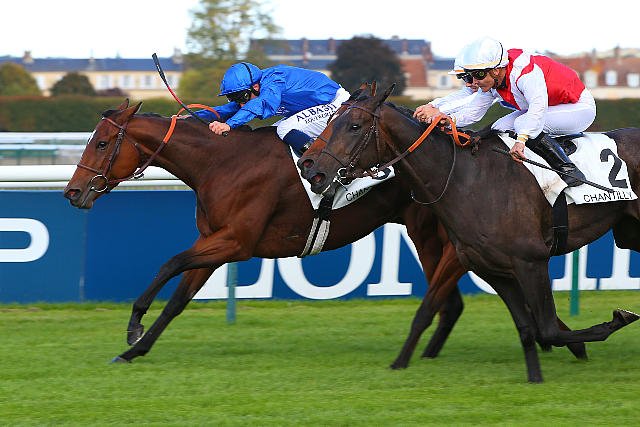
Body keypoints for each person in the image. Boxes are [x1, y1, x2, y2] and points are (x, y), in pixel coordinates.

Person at [448, 37, 596, 187]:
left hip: (578, 107)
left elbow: (538, 106)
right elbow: (473, 112)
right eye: (470, 75)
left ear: (495, 70)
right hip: (552, 107)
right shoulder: (492, 80)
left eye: (478, 75)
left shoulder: (524, 72)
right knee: (498, 127)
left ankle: (569, 170)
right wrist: (448, 120)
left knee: (522, 124)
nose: (474, 81)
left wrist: (521, 141)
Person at [193, 62, 350, 156]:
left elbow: (261, 105)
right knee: (271, 135)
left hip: (336, 104)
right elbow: (225, 109)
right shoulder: (254, 88)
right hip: (319, 106)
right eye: (234, 98)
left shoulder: (273, 82)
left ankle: (321, 164)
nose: (240, 104)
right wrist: (191, 117)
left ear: (255, 87)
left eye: (241, 97)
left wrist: (229, 125)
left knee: (284, 129)